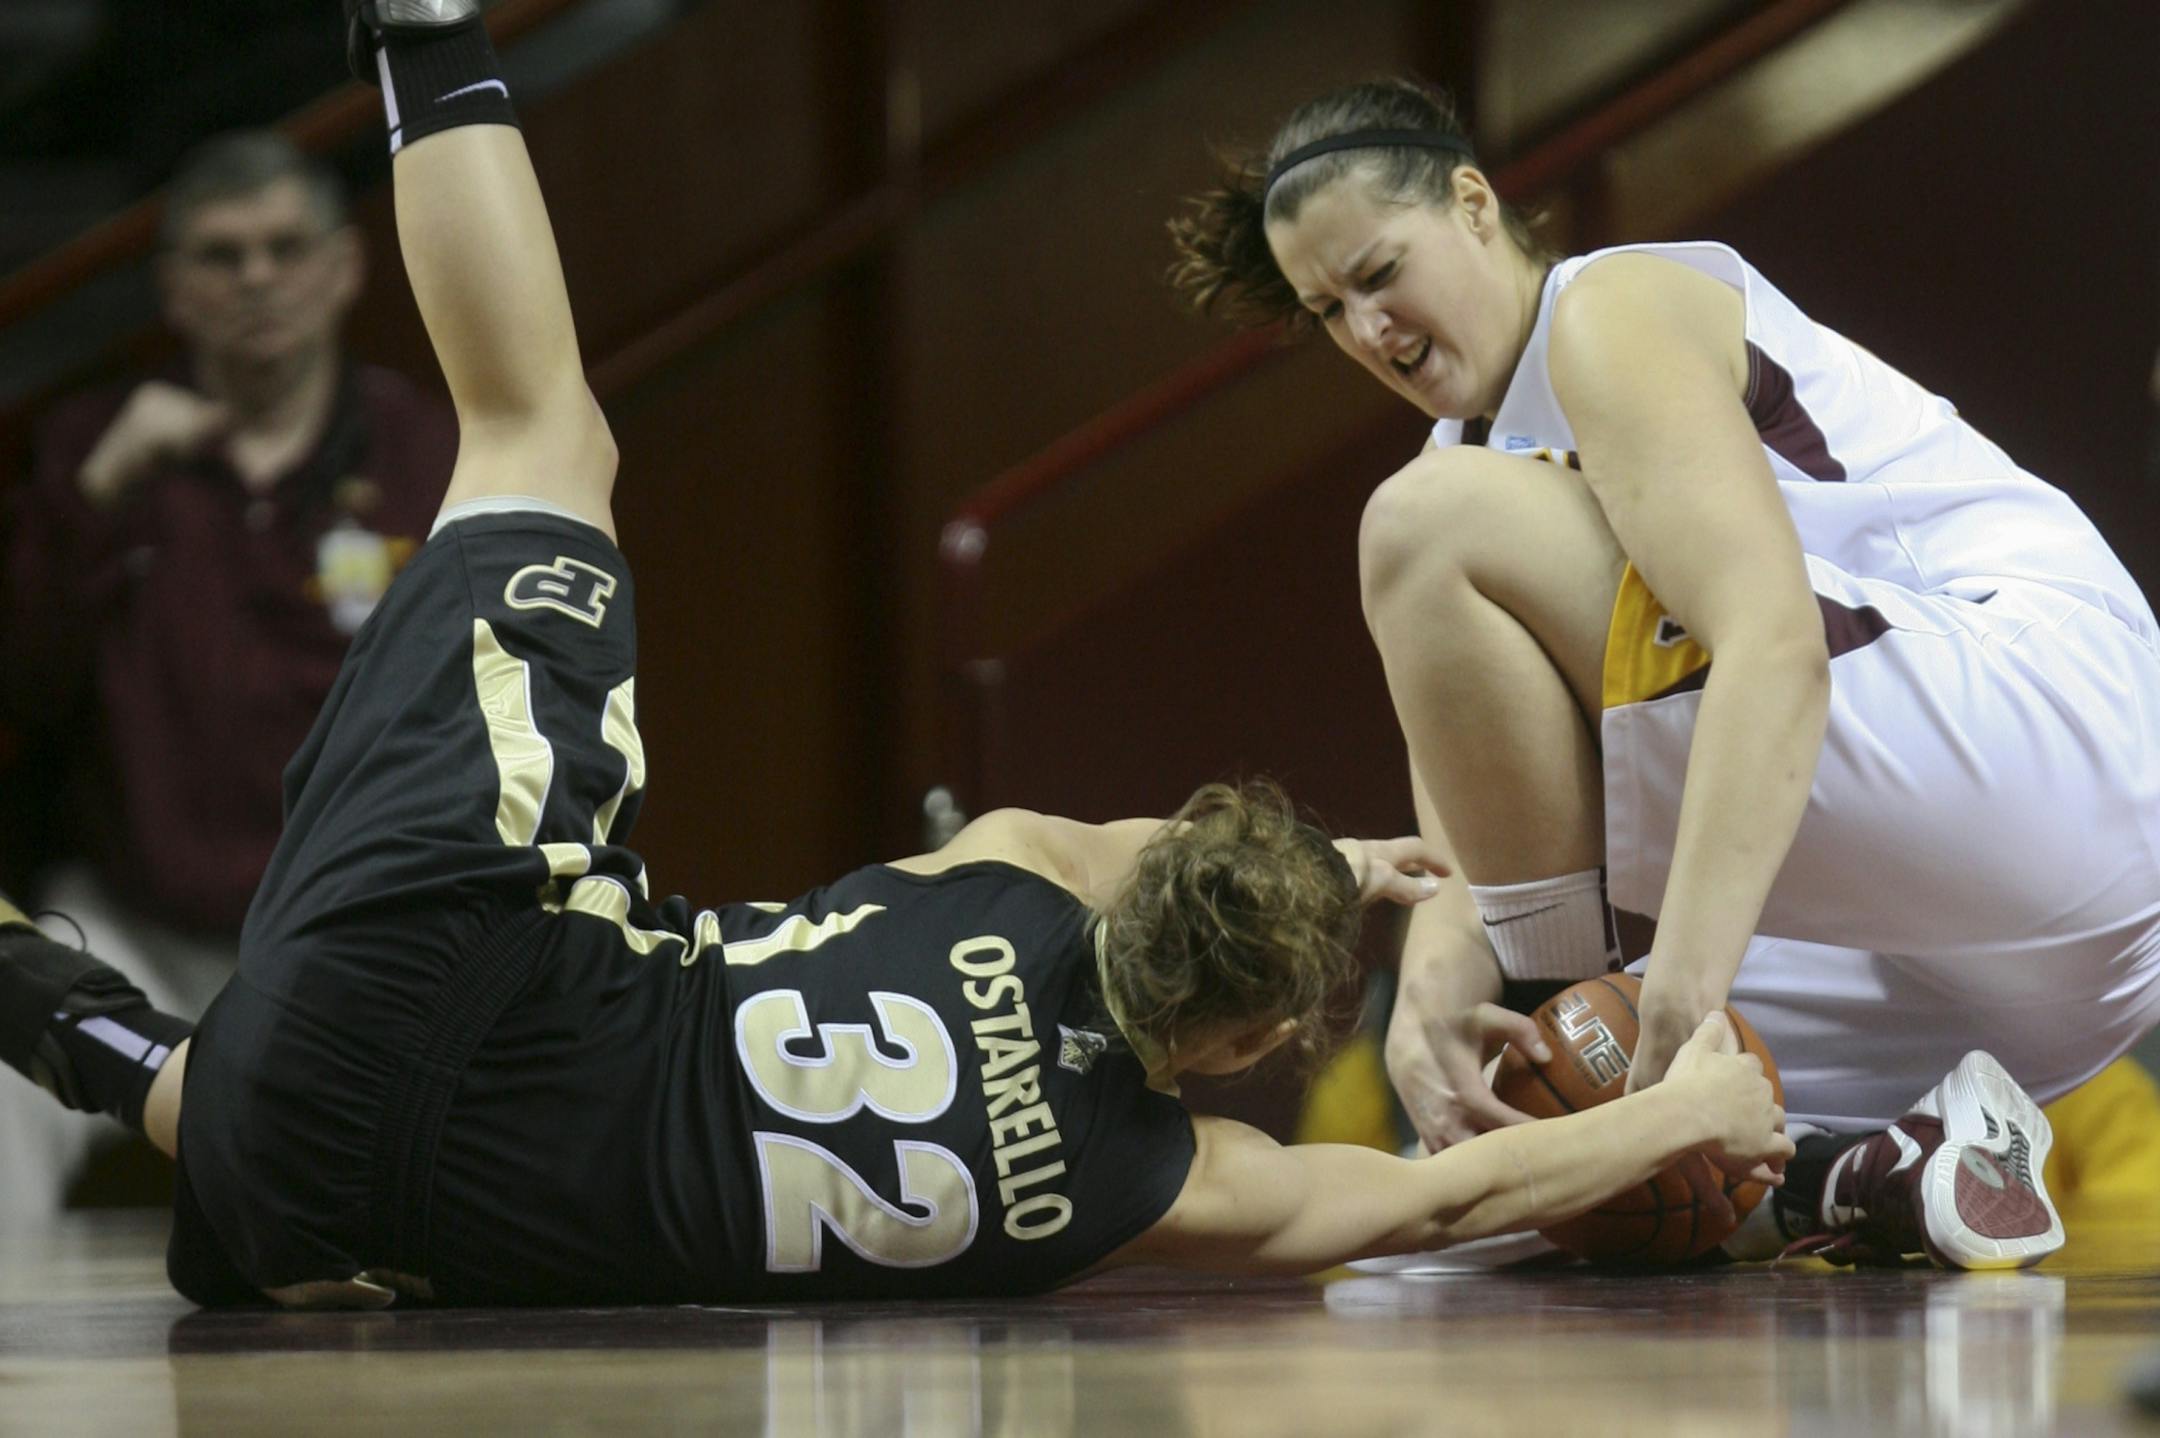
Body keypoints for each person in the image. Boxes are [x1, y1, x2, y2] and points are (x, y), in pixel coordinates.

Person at [0, 7, 1792, 1308]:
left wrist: (1338, 869)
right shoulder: (1154, 1179)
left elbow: (1118, 860)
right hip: (336, 1160)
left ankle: (430, 33)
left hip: (467, 945)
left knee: (538, 435)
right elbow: (1432, 1204)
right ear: (1246, 1040)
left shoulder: (1008, 870)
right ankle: (64, 1017)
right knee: (234, 1101)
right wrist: (1682, 1105)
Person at [1168, 77, 2160, 1268]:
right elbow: (1470, 774)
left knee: (1420, 530)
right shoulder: (1469, 465)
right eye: (1327, 309)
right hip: (2023, 991)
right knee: (1471, 1203)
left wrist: (1672, 1008)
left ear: (1475, 204)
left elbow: (1775, 650)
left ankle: (1629, 1050)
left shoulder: (1609, 309)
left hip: (2050, 738)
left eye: (1380, 274)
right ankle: (1872, 1165)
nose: (1369, 329)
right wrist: (1434, 988)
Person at [0, 129, 454, 1224]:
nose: (256, 277)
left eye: (284, 246)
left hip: (353, 936)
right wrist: (96, 495)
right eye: (221, 254)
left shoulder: (420, 451)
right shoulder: (94, 449)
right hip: (134, 923)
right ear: (175, 289)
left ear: (344, 267)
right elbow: (15, 690)